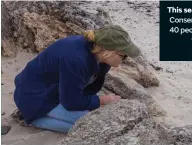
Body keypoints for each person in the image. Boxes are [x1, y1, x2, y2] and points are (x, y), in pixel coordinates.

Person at [12, 24, 141, 133]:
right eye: (124, 56)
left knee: (94, 118)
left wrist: (92, 103)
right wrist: (102, 100)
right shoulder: (75, 59)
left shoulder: (100, 56)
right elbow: (70, 102)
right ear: (109, 51)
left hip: (56, 91)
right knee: (93, 126)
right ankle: (32, 119)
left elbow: (91, 86)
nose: (125, 60)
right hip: (35, 98)